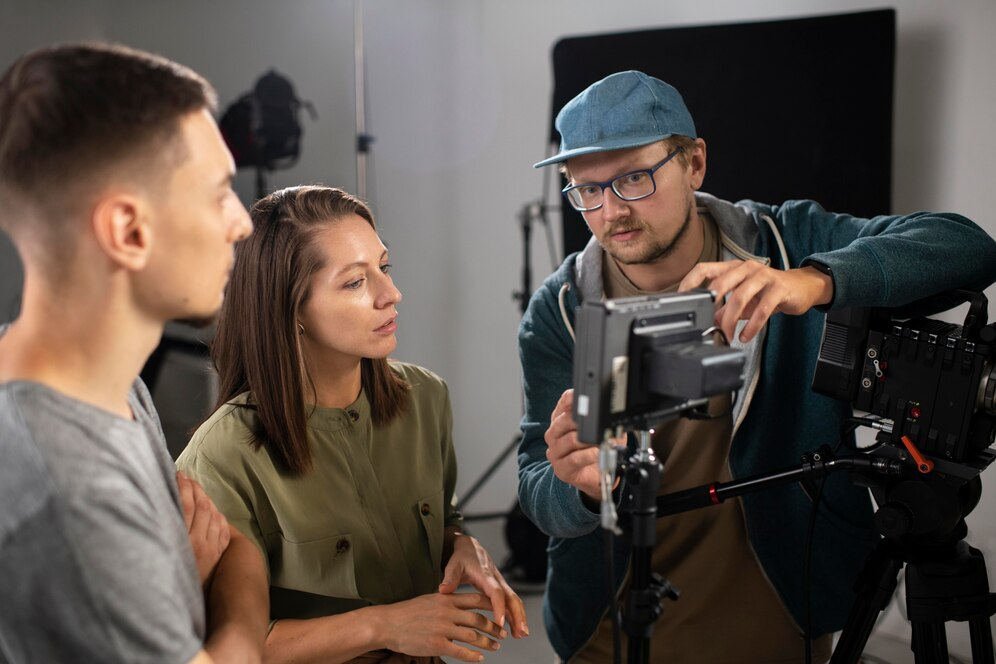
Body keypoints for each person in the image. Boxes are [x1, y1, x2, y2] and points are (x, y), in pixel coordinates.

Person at [517, 70, 996, 663]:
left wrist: (816, 281)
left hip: (782, 607)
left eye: (634, 179)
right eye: (585, 189)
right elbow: (536, 484)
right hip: (610, 625)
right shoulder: (560, 309)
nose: (610, 210)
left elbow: (968, 246)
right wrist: (578, 491)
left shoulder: (786, 240)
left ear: (694, 163)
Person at [176, 185, 529, 664]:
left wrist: (464, 547)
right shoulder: (222, 455)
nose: (392, 294)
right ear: (292, 309)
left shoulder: (426, 398)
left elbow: (442, 519)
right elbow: (225, 647)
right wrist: (383, 625)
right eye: (355, 282)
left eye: (383, 268)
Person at [0, 43, 268, 663]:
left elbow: (229, 548)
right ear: (128, 231)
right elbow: (234, 554)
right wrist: (224, 600)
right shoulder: (71, 494)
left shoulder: (113, 386)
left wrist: (196, 574)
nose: (242, 222)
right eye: (218, 192)